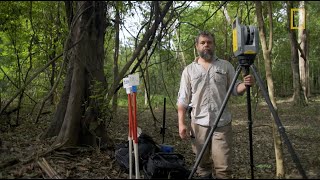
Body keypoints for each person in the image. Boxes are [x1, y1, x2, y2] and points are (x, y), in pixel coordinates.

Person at [177, 31, 255, 179]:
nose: (206, 45)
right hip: (198, 124)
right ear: (197, 46)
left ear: (214, 45)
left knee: (223, 168)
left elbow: (235, 89)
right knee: (202, 166)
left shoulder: (226, 66)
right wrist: (181, 123)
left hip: (222, 124)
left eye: (209, 42)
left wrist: (245, 85)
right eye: (203, 42)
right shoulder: (189, 70)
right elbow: (183, 99)